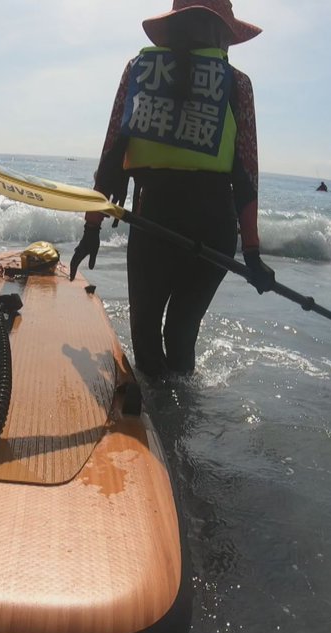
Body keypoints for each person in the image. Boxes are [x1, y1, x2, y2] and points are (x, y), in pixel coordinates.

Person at [69, 0, 274, 378]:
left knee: (146, 340)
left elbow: (112, 152)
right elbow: (247, 173)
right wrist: (252, 252)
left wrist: (92, 227)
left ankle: (156, 413)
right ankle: (182, 413)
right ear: (219, 33)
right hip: (215, 225)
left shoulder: (140, 72)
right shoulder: (236, 84)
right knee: (181, 336)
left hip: (154, 220)